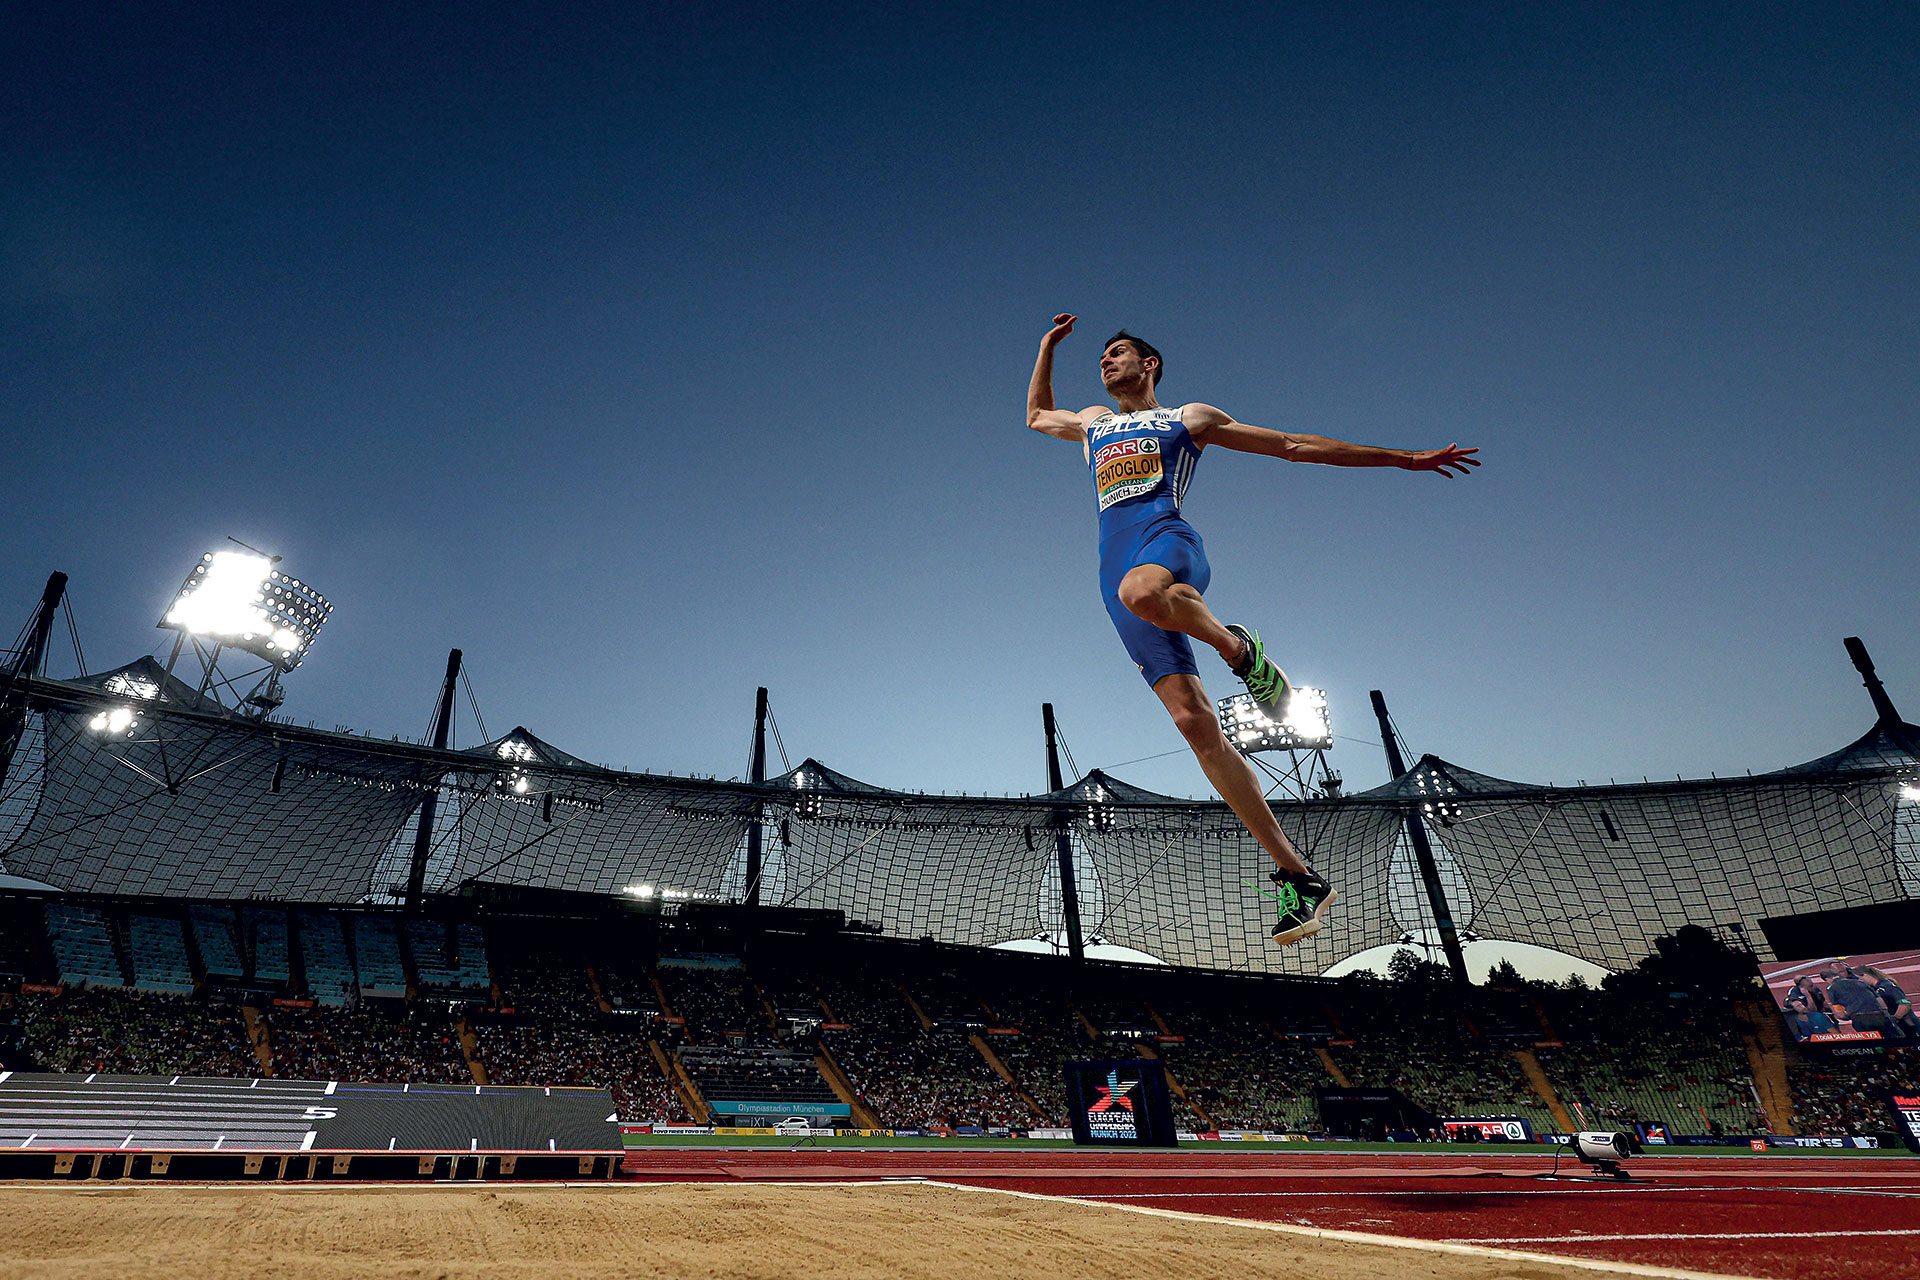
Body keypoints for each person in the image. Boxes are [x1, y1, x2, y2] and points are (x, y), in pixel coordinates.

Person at [1026, 314, 1480, 943]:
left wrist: (1404, 460)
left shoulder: (1189, 419)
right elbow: (1036, 415)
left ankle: (1238, 648)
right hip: (1112, 566)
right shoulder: (1094, 425)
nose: (1106, 362)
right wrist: (1048, 347)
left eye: (1119, 353)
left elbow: (1294, 444)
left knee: (1147, 592)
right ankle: (1297, 875)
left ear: (1149, 365)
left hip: (1166, 538)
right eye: (1102, 356)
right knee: (1194, 724)